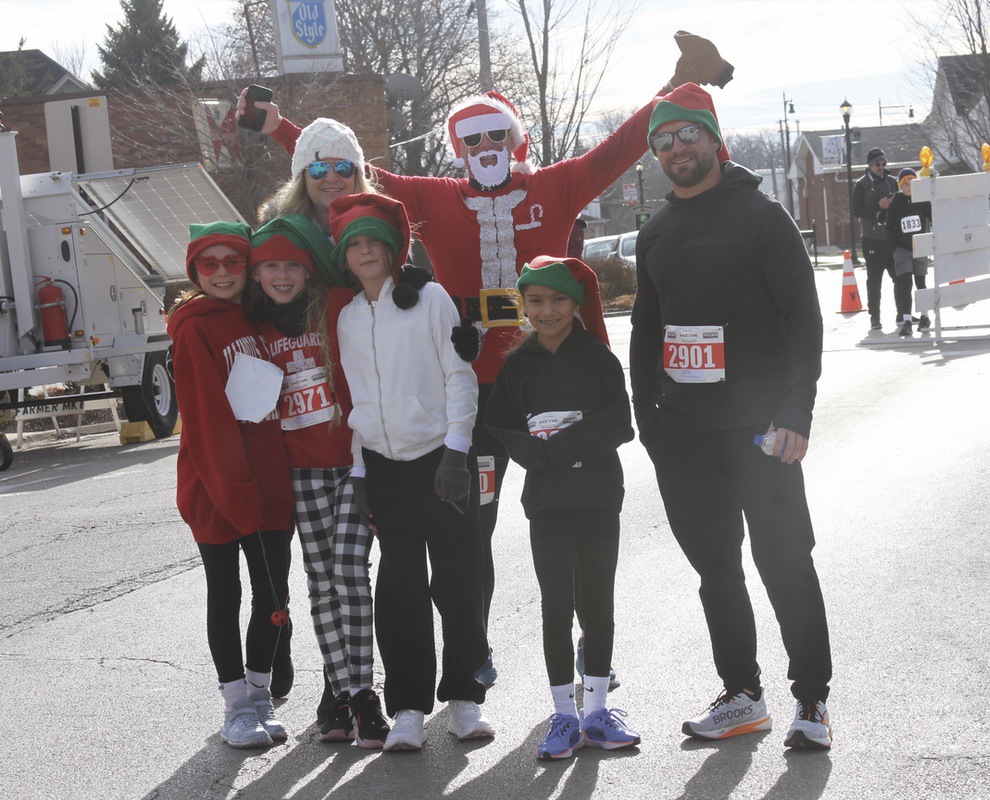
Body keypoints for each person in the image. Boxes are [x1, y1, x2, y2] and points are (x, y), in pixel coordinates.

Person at [238, 45, 733, 677]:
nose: (487, 146)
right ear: (459, 149)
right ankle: (473, 650)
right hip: (472, 395)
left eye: (499, 134)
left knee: (577, 516)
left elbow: (623, 145)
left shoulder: (558, 185)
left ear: (516, 140)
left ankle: (592, 647)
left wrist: (681, 80)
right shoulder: (436, 197)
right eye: (474, 139)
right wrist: (280, 128)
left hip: (556, 383)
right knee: (470, 529)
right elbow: (345, 174)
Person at [629, 84, 834, 750]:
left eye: (688, 135)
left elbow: (802, 321)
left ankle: (811, 702)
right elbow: (644, 338)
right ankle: (742, 695)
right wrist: (653, 428)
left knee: (784, 561)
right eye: (664, 141)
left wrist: (795, 413)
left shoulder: (761, 217)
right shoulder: (655, 232)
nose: (676, 149)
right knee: (716, 570)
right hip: (685, 437)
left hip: (761, 431)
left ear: (715, 142)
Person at [331, 192, 493, 750]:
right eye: (355, 244)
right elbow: (355, 398)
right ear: (345, 256)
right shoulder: (349, 318)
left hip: (439, 460)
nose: (365, 251)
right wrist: (358, 473)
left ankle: (466, 697)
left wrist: (456, 450)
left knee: (458, 580)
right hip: (383, 468)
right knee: (398, 588)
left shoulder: (430, 299)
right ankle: (406, 706)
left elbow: (459, 375)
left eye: (374, 241)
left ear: (393, 247)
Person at [484, 256, 639, 760]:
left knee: (598, 602)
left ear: (575, 304)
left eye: (557, 300)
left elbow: (620, 423)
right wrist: (537, 455)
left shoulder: (598, 358)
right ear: (523, 305)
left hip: (597, 498)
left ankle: (596, 711)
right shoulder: (516, 366)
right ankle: (563, 716)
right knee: (556, 605)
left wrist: (563, 447)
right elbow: (501, 425)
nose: (546, 311)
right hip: (546, 502)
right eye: (535, 301)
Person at [245, 214, 391, 747]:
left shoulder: (332, 306)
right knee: (321, 585)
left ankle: (363, 695)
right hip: (299, 474)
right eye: (270, 267)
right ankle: (348, 694)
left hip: (352, 462)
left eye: (292, 265)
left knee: (351, 574)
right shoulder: (255, 330)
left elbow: (378, 282)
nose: (282, 275)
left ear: (308, 271)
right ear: (256, 274)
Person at [167, 222, 294, 749]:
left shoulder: (261, 318)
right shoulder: (193, 327)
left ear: (249, 267)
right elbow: (206, 421)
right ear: (194, 272)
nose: (222, 273)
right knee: (227, 594)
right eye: (209, 264)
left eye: (233, 262)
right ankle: (235, 706)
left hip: (269, 487)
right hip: (218, 492)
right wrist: (237, 494)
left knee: (274, 596)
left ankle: (261, 697)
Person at [852, 147, 901, 331]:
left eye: (883, 164)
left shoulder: (891, 182)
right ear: (870, 165)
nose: (881, 167)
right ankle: (875, 317)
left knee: (899, 277)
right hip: (871, 239)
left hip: (890, 238)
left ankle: (902, 313)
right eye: (878, 164)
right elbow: (857, 211)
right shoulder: (862, 184)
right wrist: (877, 206)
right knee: (874, 280)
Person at [884, 167, 933, 337]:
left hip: (920, 247)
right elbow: (889, 227)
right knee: (905, 284)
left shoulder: (921, 201)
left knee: (921, 283)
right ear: (900, 185)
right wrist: (895, 247)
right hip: (902, 250)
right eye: (905, 183)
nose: (909, 186)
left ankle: (925, 316)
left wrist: (931, 240)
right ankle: (906, 320)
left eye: (912, 182)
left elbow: (933, 217)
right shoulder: (895, 204)